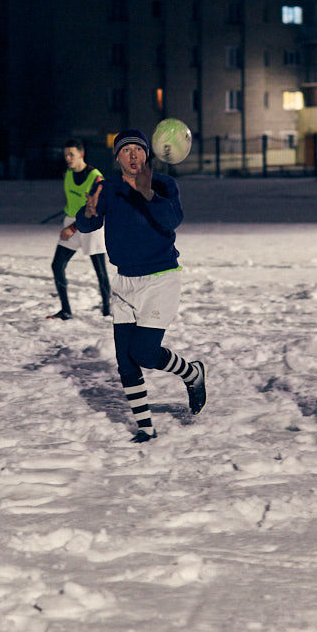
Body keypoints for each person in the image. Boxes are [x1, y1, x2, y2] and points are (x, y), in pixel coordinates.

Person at [76, 129, 206, 443]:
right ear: (117, 157)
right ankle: (146, 429)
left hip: (161, 279)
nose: (133, 155)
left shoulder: (163, 184)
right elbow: (87, 224)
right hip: (124, 282)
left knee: (145, 353)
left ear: (147, 154)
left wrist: (148, 193)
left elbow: (172, 220)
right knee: (125, 360)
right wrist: (88, 212)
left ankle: (192, 373)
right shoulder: (108, 188)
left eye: (138, 149)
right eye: (126, 150)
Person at [48, 138, 111, 320]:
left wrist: (73, 227)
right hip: (72, 223)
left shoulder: (95, 177)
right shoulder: (67, 173)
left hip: (90, 226)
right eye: (66, 155)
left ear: (81, 154)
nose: (67, 158)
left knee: (100, 271)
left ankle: (107, 312)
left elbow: (96, 207)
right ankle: (66, 311)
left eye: (71, 155)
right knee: (57, 265)